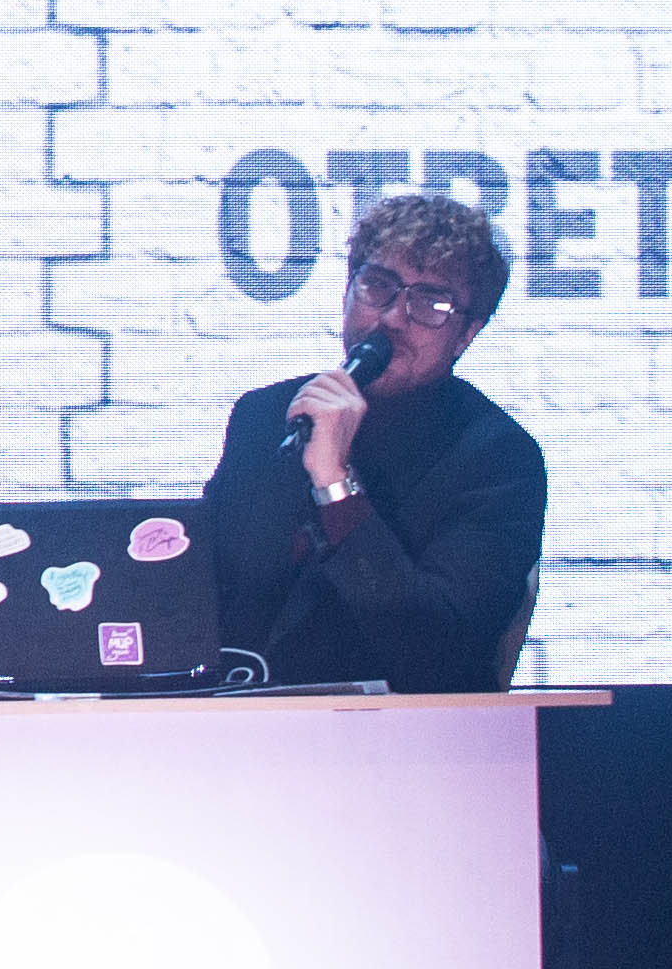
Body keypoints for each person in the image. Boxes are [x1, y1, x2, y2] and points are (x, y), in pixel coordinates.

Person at [190, 191, 551, 694]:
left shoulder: (498, 458)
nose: (393, 318)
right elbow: (202, 593)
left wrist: (335, 484)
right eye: (378, 286)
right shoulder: (266, 416)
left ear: (466, 334)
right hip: (236, 719)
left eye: (430, 302)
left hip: (401, 729)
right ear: (347, 291)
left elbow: (440, 653)